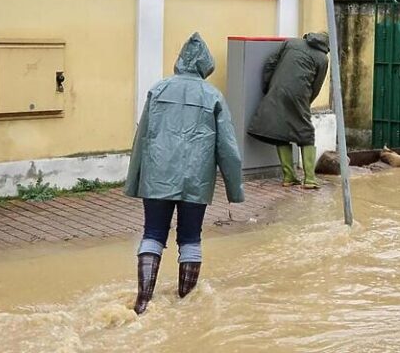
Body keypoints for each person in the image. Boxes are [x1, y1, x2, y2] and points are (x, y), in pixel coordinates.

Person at [125, 32, 244, 315]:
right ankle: (185, 304)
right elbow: (228, 148)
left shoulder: (158, 90)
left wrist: (134, 181)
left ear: (180, 61)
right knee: (190, 238)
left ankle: (143, 300)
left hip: (157, 176)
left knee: (153, 233)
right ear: (205, 66)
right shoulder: (213, 95)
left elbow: (141, 138)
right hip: (196, 179)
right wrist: (234, 190)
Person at [247, 32, 329, 189]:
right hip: (300, 95)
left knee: (280, 131)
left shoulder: (290, 43)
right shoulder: (323, 58)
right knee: (306, 134)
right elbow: (316, 86)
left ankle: (289, 177)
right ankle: (310, 179)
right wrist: (306, 103)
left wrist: (269, 86)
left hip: (277, 89)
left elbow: (270, 62)